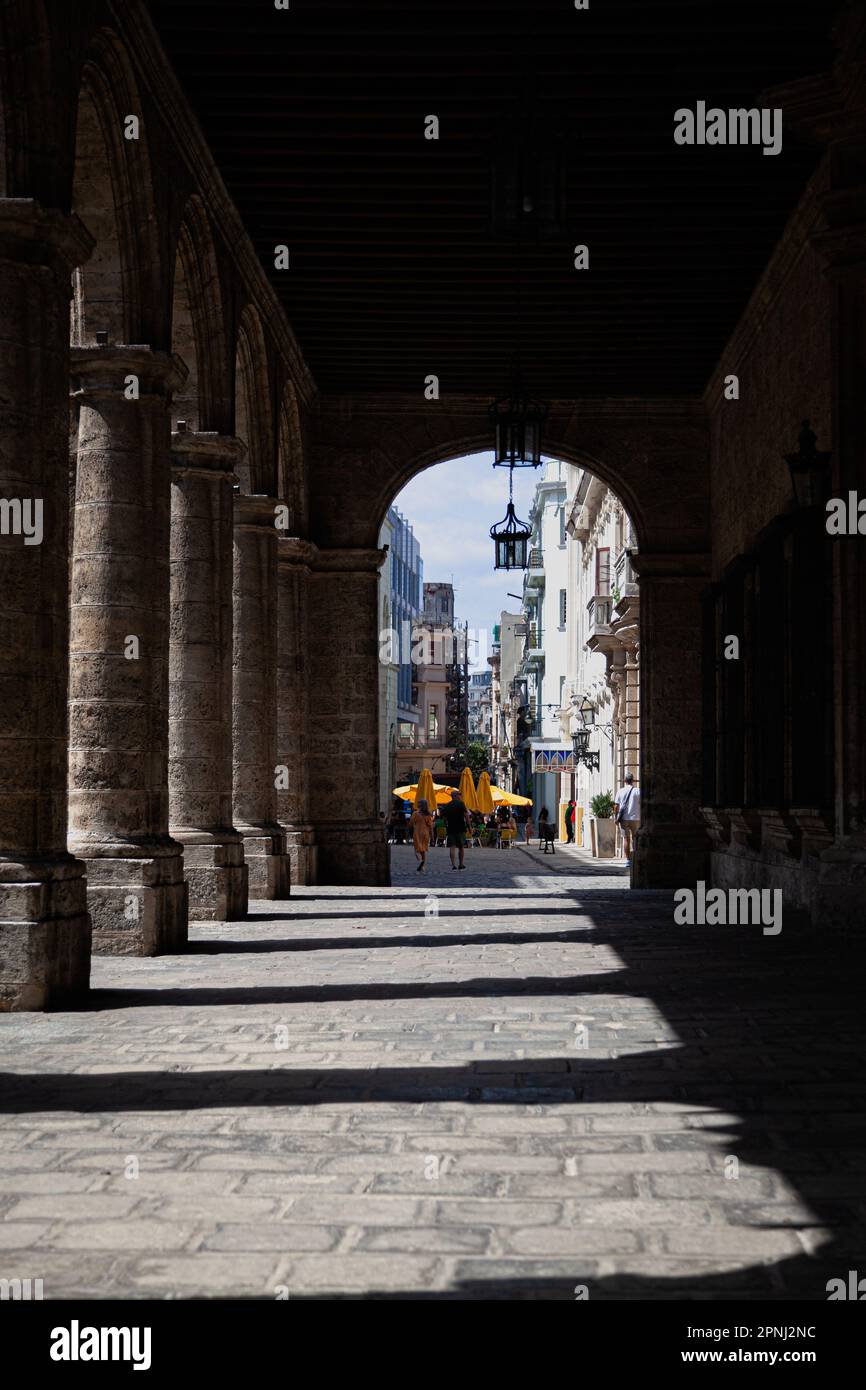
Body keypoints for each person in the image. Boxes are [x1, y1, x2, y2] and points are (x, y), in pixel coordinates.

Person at [614, 773, 641, 864]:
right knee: (635, 838)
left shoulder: (620, 791)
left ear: (624, 781)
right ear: (633, 781)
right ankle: (636, 858)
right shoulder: (638, 791)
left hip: (623, 818)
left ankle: (628, 860)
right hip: (636, 818)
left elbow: (616, 806)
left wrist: (616, 817)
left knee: (626, 839)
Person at [441, 789, 471, 870]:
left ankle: (453, 864)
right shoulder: (461, 804)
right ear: (455, 796)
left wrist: (446, 825)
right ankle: (461, 864)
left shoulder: (447, 805)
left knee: (452, 847)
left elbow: (444, 818)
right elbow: (466, 816)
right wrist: (469, 827)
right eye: (459, 795)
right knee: (461, 847)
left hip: (451, 828)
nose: (460, 796)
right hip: (460, 828)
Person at [410, 798, 434, 872]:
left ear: (420, 805)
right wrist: (432, 837)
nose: (417, 804)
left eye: (418, 803)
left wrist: (413, 826)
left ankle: (420, 861)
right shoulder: (428, 815)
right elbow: (430, 826)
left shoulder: (415, 813)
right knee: (423, 849)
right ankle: (423, 865)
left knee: (417, 849)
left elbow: (411, 823)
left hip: (417, 832)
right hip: (425, 833)